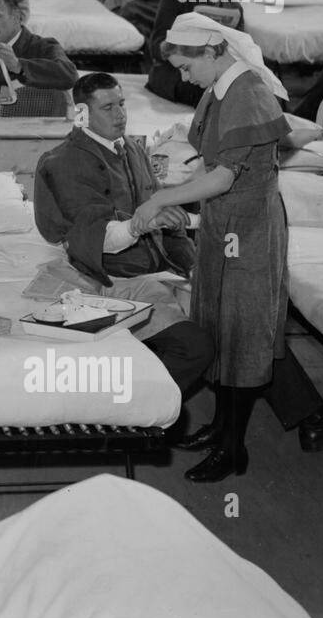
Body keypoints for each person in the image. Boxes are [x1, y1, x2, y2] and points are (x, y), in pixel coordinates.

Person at [131, 17, 323, 480]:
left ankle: (233, 448)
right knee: (218, 328)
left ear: (212, 51)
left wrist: (160, 197)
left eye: (186, 66)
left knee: (243, 336)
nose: (182, 77)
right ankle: (220, 426)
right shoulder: (221, 89)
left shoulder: (245, 90)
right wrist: (300, 136)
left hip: (250, 230)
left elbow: (225, 175)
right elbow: (268, 137)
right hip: (225, 222)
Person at [32, 73, 217, 414]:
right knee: (194, 346)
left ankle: (145, 411)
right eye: (107, 107)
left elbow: (164, 224)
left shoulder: (132, 149)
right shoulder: (65, 162)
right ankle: (126, 416)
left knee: (221, 329)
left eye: (121, 104)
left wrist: (193, 266)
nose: (119, 115)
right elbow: (98, 240)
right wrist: (142, 223)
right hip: (97, 280)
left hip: (144, 278)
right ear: (82, 114)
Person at [145, 0, 246, 107]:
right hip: (177, 72)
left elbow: (239, 48)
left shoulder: (233, 7)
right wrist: (183, 45)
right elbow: (156, 48)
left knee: (250, 88)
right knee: (213, 95)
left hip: (214, 70)